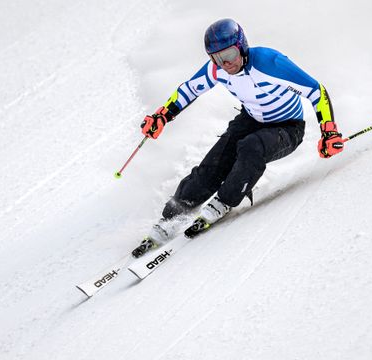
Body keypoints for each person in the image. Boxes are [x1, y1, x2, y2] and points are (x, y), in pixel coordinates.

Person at [132, 18, 345, 257]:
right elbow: (189, 89)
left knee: (252, 147)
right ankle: (173, 214)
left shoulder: (270, 62)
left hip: (287, 127)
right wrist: (162, 116)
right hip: (250, 119)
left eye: (230, 54)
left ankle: (225, 200)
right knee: (213, 165)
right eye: (217, 58)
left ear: (242, 46)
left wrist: (329, 132)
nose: (226, 63)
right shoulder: (216, 69)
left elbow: (317, 91)